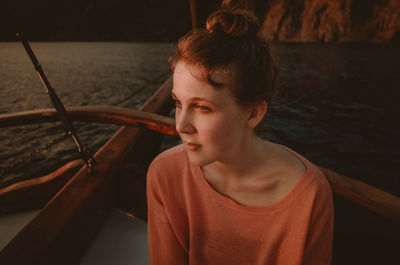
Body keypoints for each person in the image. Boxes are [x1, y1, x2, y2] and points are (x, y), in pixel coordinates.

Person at [146, 7, 334, 265]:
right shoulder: (165, 174)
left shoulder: (309, 195)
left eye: (202, 107)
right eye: (178, 103)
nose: (181, 125)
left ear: (253, 114)